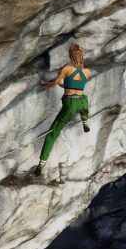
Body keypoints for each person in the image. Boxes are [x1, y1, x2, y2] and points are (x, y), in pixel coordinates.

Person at [35, 43, 92, 176]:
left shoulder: (67, 69)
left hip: (70, 105)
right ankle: (85, 120)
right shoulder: (87, 72)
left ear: (70, 56)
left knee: (52, 133)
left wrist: (45, 84)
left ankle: (41, 163)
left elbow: (54, 84)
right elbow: (74, 86)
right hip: (81, 103)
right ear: (82, 56)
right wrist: (61, 84)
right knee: (84, 96)